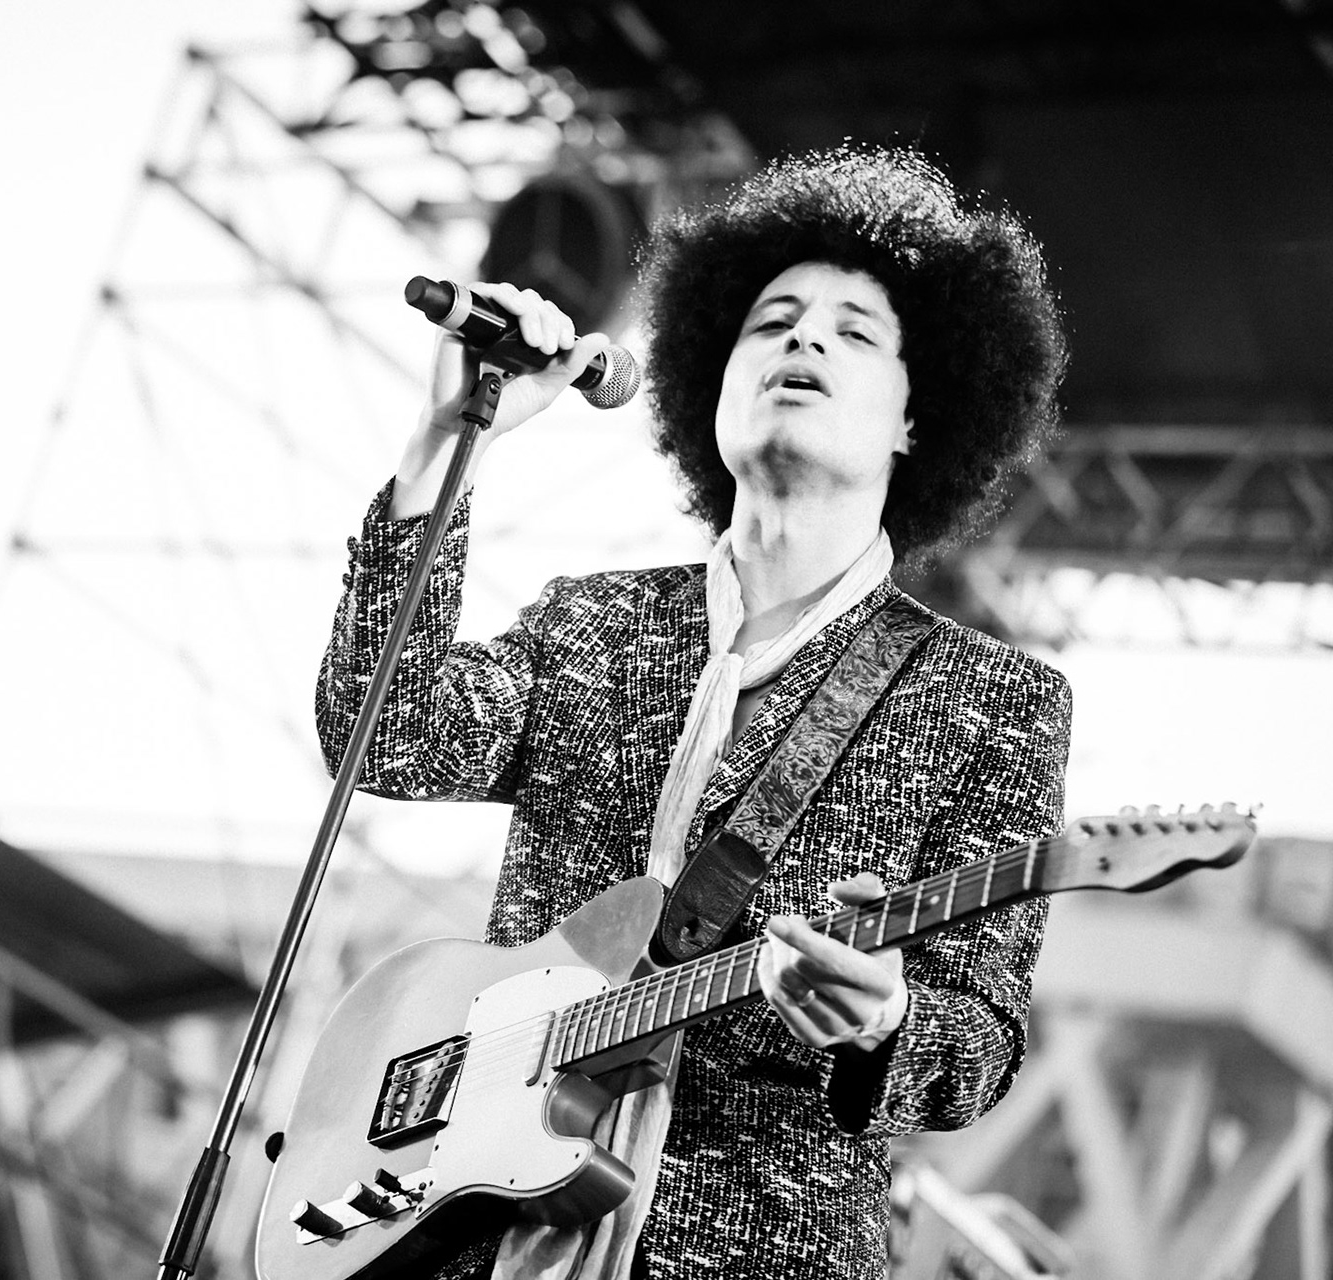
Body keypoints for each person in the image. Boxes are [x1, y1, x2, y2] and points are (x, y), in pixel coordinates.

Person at [313, 147, 1072, 1279]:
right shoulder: (592, 625)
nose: (803, 340)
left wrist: (885, 1019)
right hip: (467, 1237)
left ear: (921, 416)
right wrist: (444, 445)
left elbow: (976, 1045)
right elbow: (384, 726)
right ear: (708, 385)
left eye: (855, 331)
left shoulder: (994, 701)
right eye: (770, 321)